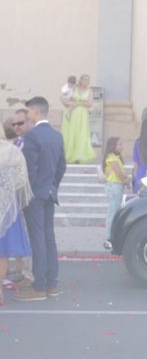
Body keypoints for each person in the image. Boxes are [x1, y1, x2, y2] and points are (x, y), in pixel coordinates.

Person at [14, 96, 66, 302]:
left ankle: (39, 286)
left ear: (35, 112)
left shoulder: (32, 136)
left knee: (38, 239)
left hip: (35, 194)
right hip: (49, 192)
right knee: (48, 238)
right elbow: (62, 166)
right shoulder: (57, 136)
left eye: (28, 113)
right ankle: (51, 283)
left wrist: (33, 190)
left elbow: (29, 168)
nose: (27, 116)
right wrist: (52, 186)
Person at [0, 128, 33, 306]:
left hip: (6, 205)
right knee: (2, 254)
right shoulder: (12, 151)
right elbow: (22, 178)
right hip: (7, 206)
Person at [60, 73, 96, 164]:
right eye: (85, 79)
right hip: (73, 113)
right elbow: (65, 96)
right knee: (72, 133)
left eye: (88, 80)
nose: (87, 81)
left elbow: (90, 103)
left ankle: (80, 155)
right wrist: (69, 103)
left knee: (82, 133)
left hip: (82, 114)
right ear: (81, 80)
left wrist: (79, 104)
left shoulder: (90, 91)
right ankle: (71, 154)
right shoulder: (74, 88)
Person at [102, 137, 130, 241]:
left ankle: (113, 235)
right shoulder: (111, 157)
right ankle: (109, 237)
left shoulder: (116, 157)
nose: (122, 147)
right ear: (113, 146)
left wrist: (125, 180)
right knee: (113, 212)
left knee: (115, 211)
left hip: (117, 185)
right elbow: (118, 172)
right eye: (120, 145)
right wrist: (125, 180)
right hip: (114, 186)